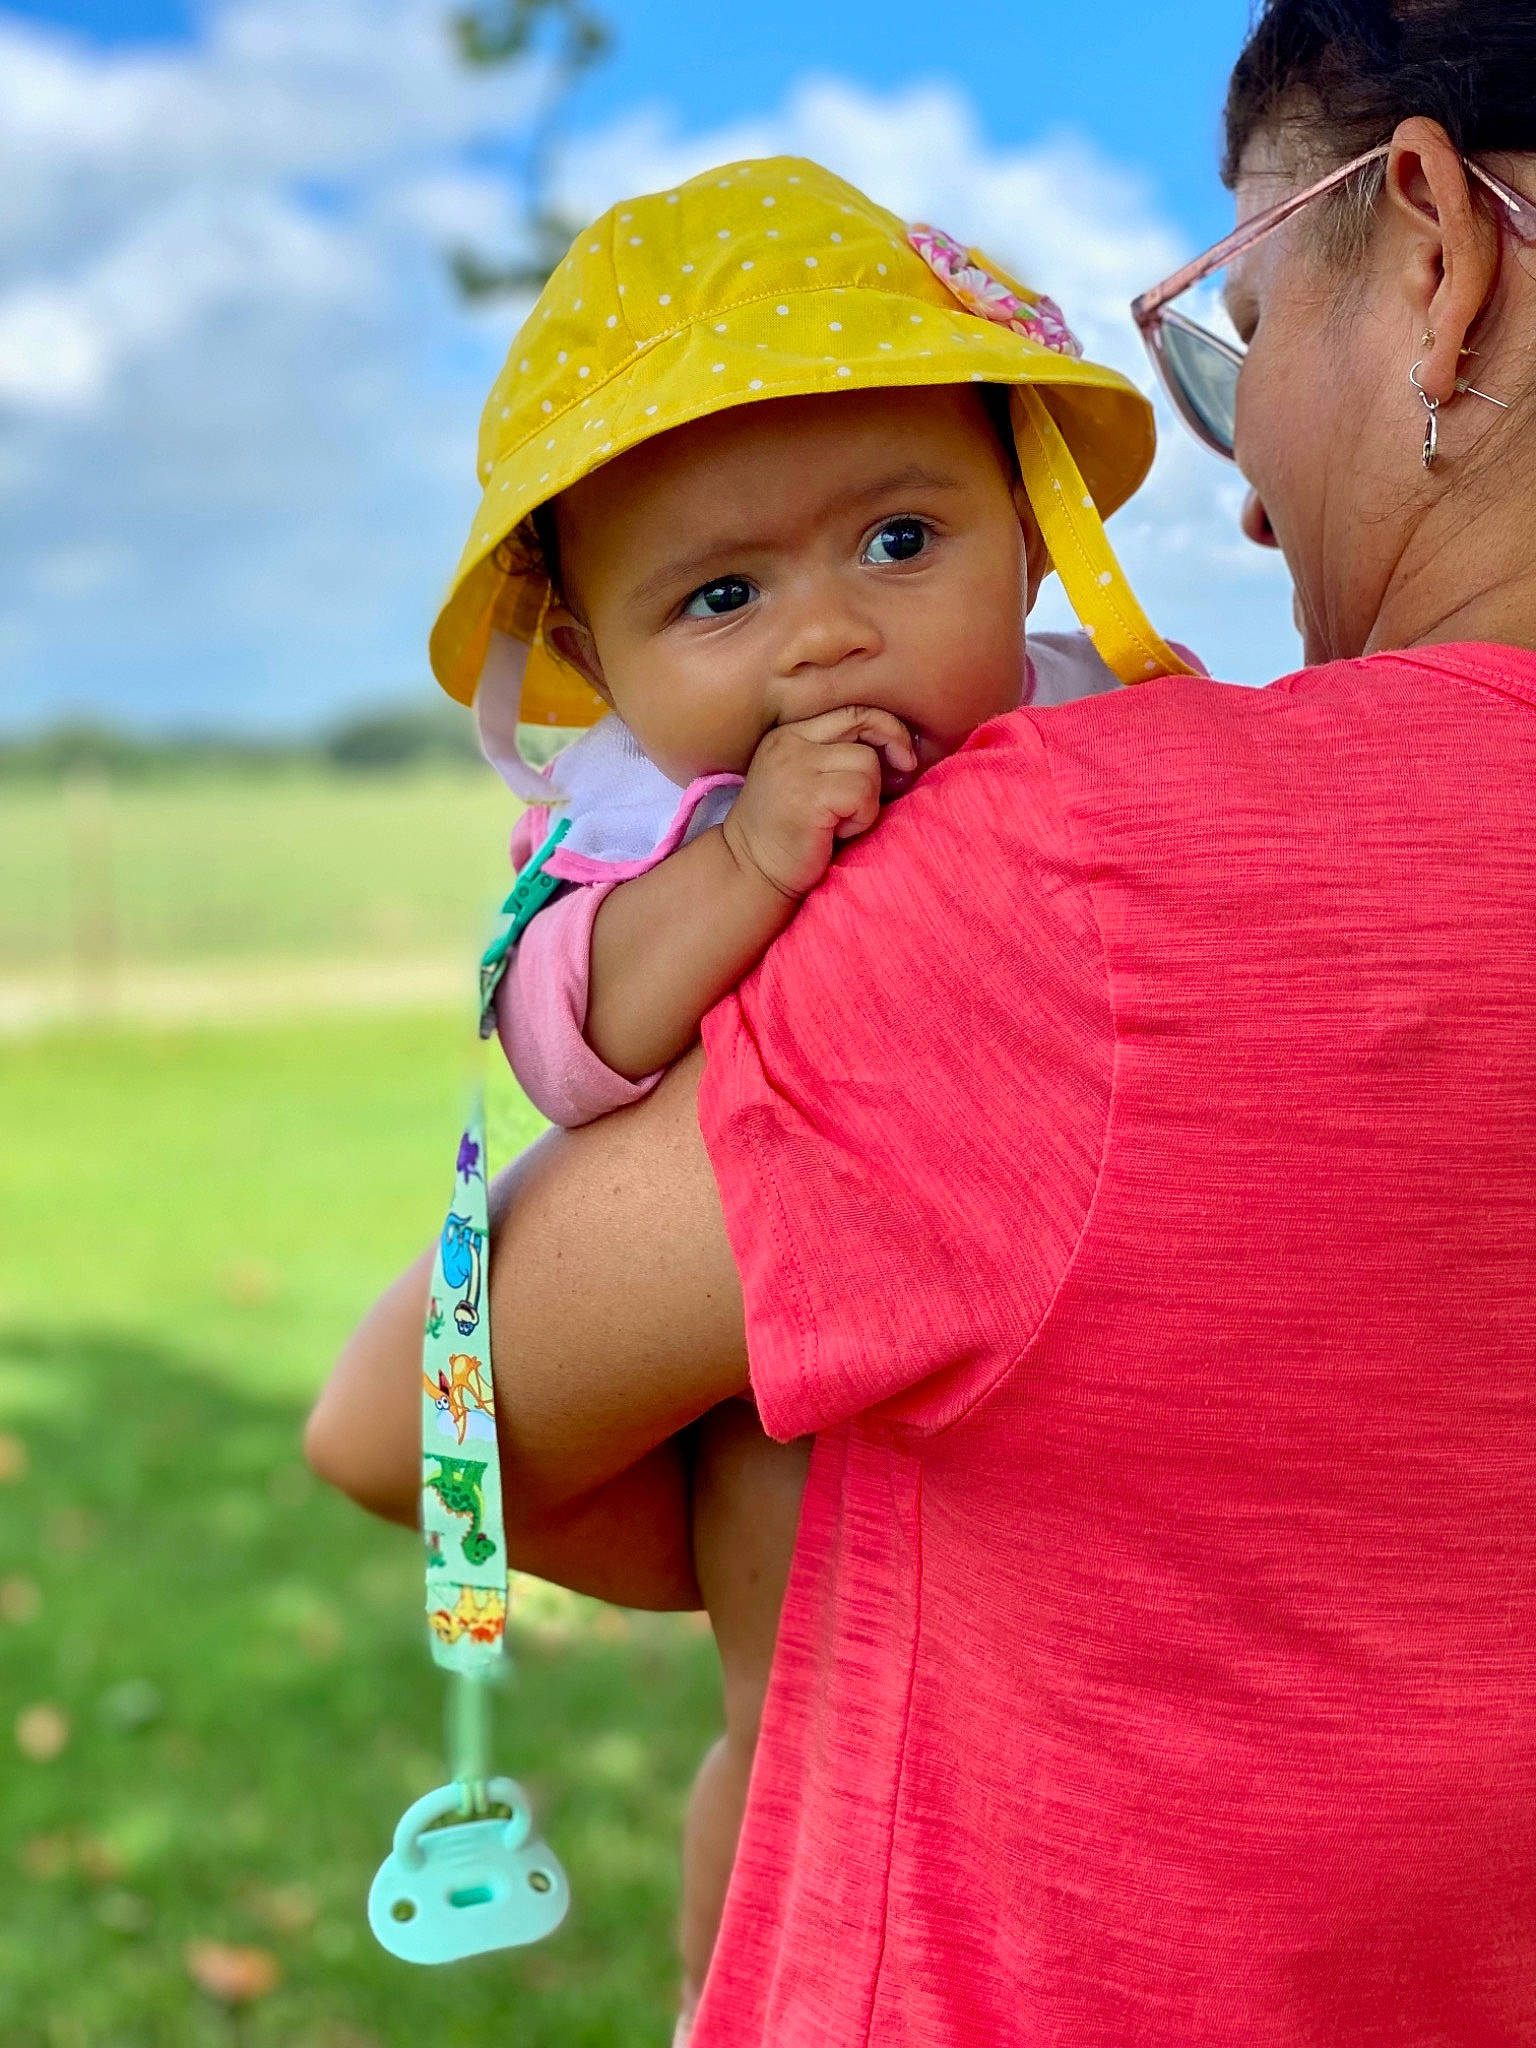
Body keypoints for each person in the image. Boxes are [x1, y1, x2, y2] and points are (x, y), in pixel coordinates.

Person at [308, 1, 1536, 2038]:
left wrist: (785, 1510)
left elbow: (412, 1422)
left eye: (1232, 339)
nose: (1241, 507)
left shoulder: (1078, 871)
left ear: (1433, 246)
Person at [372, 155, 1189, 2035]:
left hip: (1068, 1394)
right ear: (585, 658)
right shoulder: (651, 833)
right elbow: (572, 1040)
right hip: (780, 1391)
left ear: (1037, 524)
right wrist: (746, 878)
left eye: (904, 541)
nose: (827, 632)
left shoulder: (1113, 732)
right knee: (792, 1743)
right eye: (722, 594)